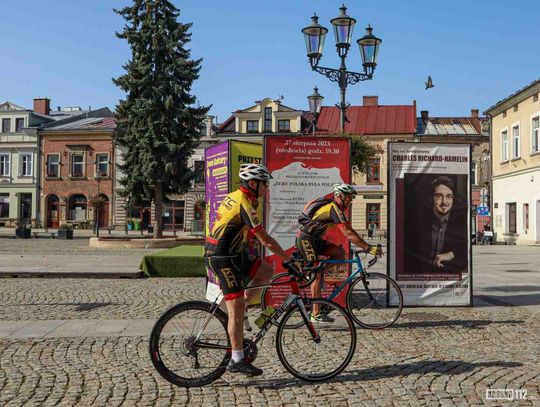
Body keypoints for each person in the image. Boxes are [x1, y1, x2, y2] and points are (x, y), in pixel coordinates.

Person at [205, 163, 290, 377]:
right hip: (222, 257)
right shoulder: (243, 201)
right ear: (252, 183)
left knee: (265, 272)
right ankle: (237, 359)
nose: (266, 188)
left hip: (234, 253)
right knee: (236, 308)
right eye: (264, 184)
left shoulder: (239, 196)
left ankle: (241, 314)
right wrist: (289, 258)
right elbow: (265, 240)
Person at [296, 183, 383, 322]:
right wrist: (368, 248)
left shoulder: (338, 209)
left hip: (316, 239)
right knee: (316, 274)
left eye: (351, 198)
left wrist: (365, 244)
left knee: (339, 254)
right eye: (348, 197)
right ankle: (315, 314)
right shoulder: (333, 208)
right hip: (307, 239)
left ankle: (315, 273)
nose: (349, 200)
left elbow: (350, 229)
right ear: (339, 196)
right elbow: (347, 233)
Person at [409, 176, 467, 273]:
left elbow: (465, 248)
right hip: (421, 274)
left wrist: (451, 254)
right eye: (439, 196)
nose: (444, 202)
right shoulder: (419, 223)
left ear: (453, 199)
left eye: (449, 196)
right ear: (431, 199)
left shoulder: (460, 223)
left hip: (448, 274)